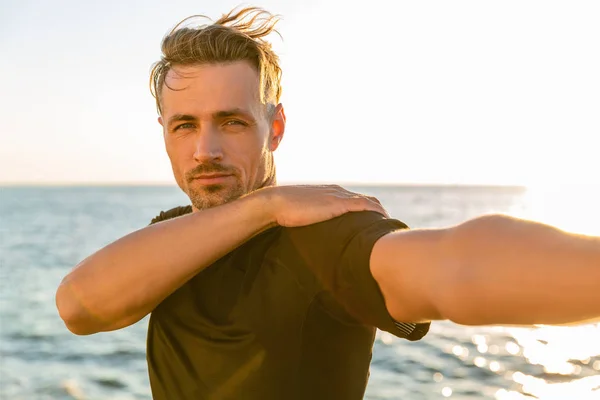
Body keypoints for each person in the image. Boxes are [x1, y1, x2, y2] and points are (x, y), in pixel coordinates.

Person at [55, 6, 600, 400]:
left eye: (233, 121)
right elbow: (80, 306)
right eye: (185, 126)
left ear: (276, 127)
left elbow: (456, 267)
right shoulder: (175, 235)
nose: (206, 150)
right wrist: (262, 208)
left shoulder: (322, 234)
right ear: (164, 133)